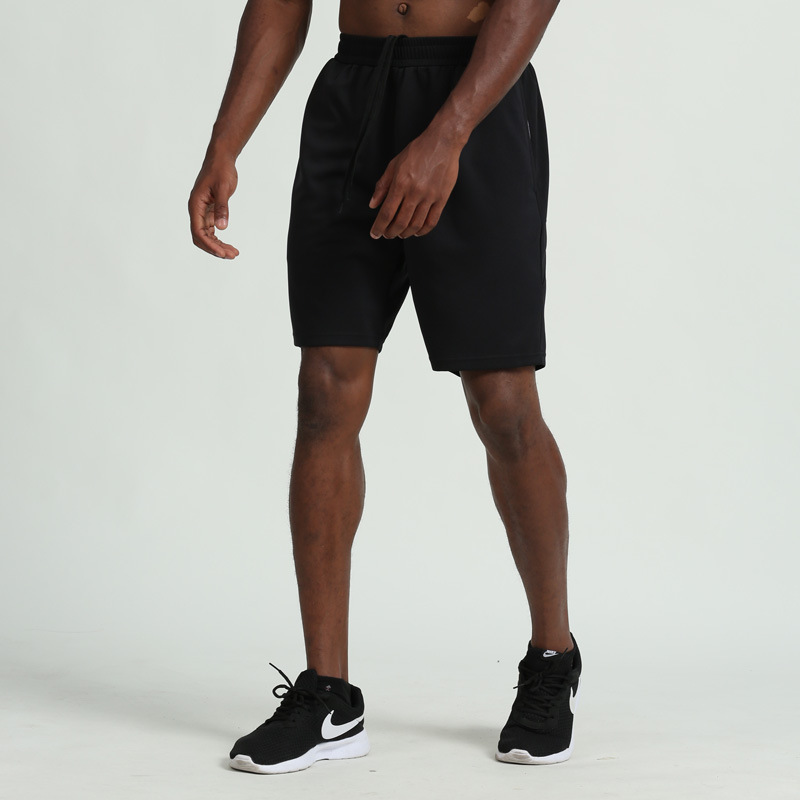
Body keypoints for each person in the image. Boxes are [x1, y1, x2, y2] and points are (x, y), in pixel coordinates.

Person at [188, 0, 581, 775]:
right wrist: (225, 141)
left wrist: (448, 133)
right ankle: (328, 695)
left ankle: (552, 656)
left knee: (502, 401)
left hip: (475, 100)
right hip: (354, 98)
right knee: (325, 392)